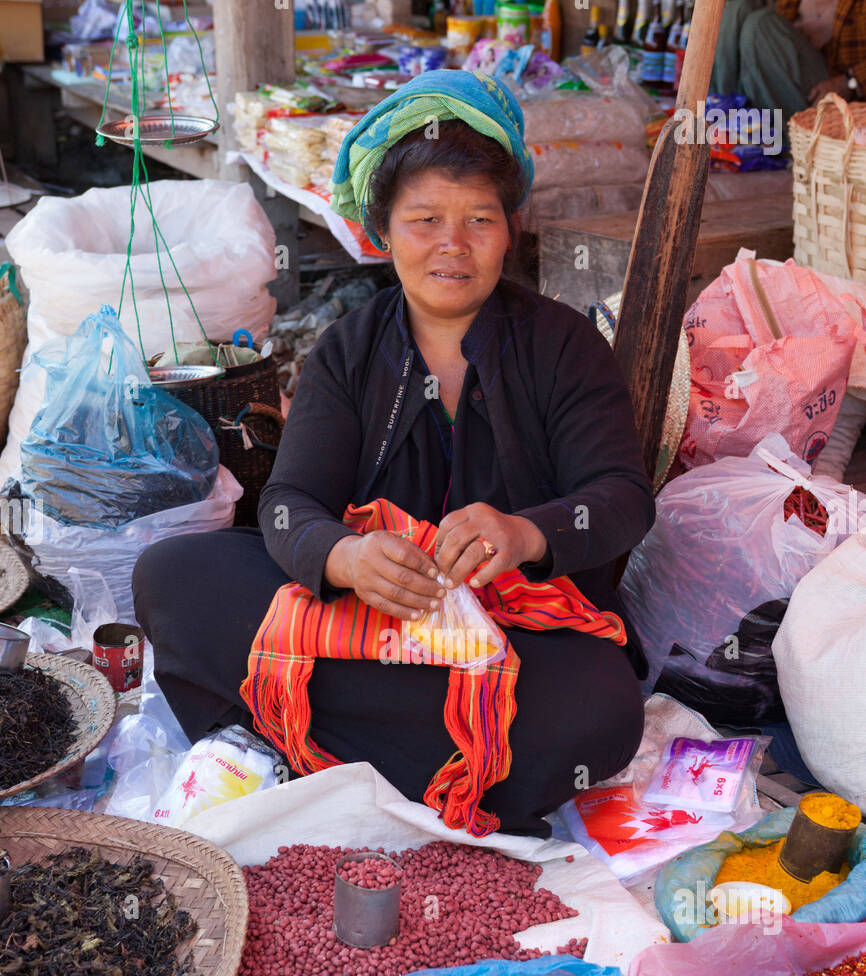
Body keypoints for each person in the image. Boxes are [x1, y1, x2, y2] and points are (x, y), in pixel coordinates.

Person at [133, 70, 655, 839]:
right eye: (425, 220)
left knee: (602, 712)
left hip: (513, 638)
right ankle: (447, 765)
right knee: (171, 576)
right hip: (366, 622)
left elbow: (621, 497)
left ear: (512, 228)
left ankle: (301, 743)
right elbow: (286, 503)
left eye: (480, 218)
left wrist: (527, 534)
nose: (453, 244)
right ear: (382, 233)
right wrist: (343, 558)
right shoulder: (350, 351)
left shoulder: (564, 346)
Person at [711, 0, 866, 128]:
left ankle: (795, 143)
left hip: (832, 101)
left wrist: (849, 81)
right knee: (736, 8)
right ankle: (718, 119)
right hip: (780, 90)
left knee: (760, 26)